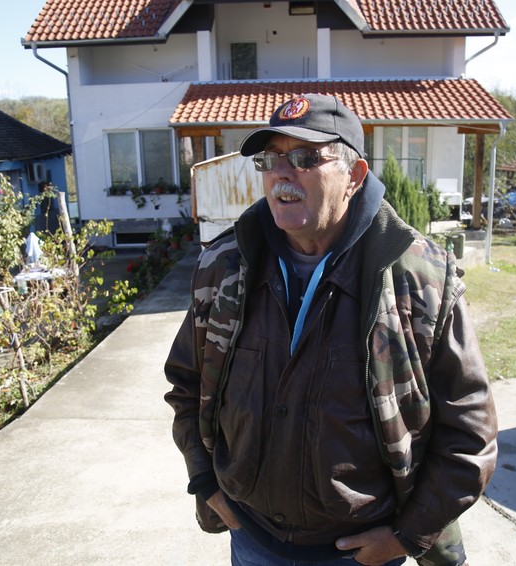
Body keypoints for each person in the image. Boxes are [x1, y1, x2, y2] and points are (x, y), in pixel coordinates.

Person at [164, 94, 497, 566]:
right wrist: (204, 480)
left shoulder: (420, 278)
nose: (281, 174)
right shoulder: (224, 266)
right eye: (270, 160)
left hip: (360, 553)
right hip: (252, 539)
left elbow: (470, 431)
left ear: (354, 176)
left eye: (304, 158)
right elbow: (187, 385)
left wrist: (405, 536)